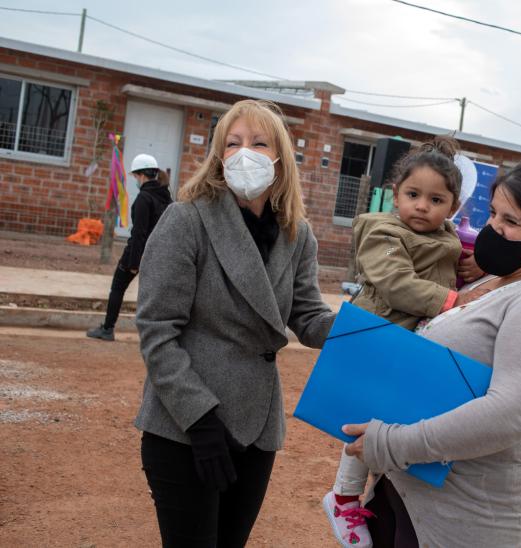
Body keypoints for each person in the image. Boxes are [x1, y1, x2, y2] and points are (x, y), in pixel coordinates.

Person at [342, 160, 521, 547]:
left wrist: (393, 444)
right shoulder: (503, 280)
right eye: (492, 213)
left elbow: (510, 414)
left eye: (511, 221)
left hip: (463, 518)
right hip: (409, 496)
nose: (494, 228)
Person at [134, 99, 335, 546]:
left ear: (280, 157)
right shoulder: (186, 219)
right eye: (234, 143)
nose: (246, 153)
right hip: (188, 427)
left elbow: (307, 314)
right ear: (219, 155)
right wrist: (200, 420)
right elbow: (156, 330)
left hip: (256, 425)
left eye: (260, 143)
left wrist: (366, 331)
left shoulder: (296, 233)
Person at [323, 137, 474, 547]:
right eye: (413, 195)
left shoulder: (447, 239)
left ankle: (371, 496)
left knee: (392, 428)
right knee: (362, 427)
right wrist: (452, 301)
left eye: (436, 199)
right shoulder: (382, 231)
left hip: (410, 345)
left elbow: (448, 266)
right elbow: (394, 283)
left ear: (453, 206)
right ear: (395, 195)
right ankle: (343, 497)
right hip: (377, 339)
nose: (422, 206)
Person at [86, 155, 172, 341]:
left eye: (135, 176)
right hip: (160, 254)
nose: (135, 180)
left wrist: (134, 262)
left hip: (138, 253)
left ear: (141, 175)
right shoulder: (166, 196)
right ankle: (159, 334)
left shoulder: (144, 198)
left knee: (117, 287)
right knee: (155, 296)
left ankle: (107, 329)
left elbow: (139, 233)